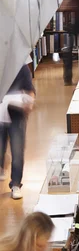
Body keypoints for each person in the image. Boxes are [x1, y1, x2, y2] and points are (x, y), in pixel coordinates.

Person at [0, 64, 36, 199]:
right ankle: (2, 162)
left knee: (17, 149)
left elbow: (30, 92)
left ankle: (16, 184)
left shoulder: (21, 68)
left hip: (17, 115)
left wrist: (27, 103)